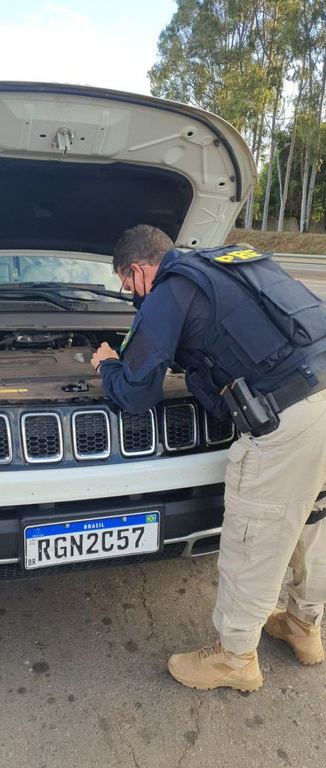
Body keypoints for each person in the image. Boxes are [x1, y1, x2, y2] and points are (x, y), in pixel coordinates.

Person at [90, 224, 326, 693]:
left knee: (253, 537)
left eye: (125, 285)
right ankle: (304, 627)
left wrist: (106, 364)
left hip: (288, 420)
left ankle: (235, 658)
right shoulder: (231, 263)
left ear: (138, 270)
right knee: (310, 522)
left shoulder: (170, 290)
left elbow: (136, 394)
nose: (131, 295)